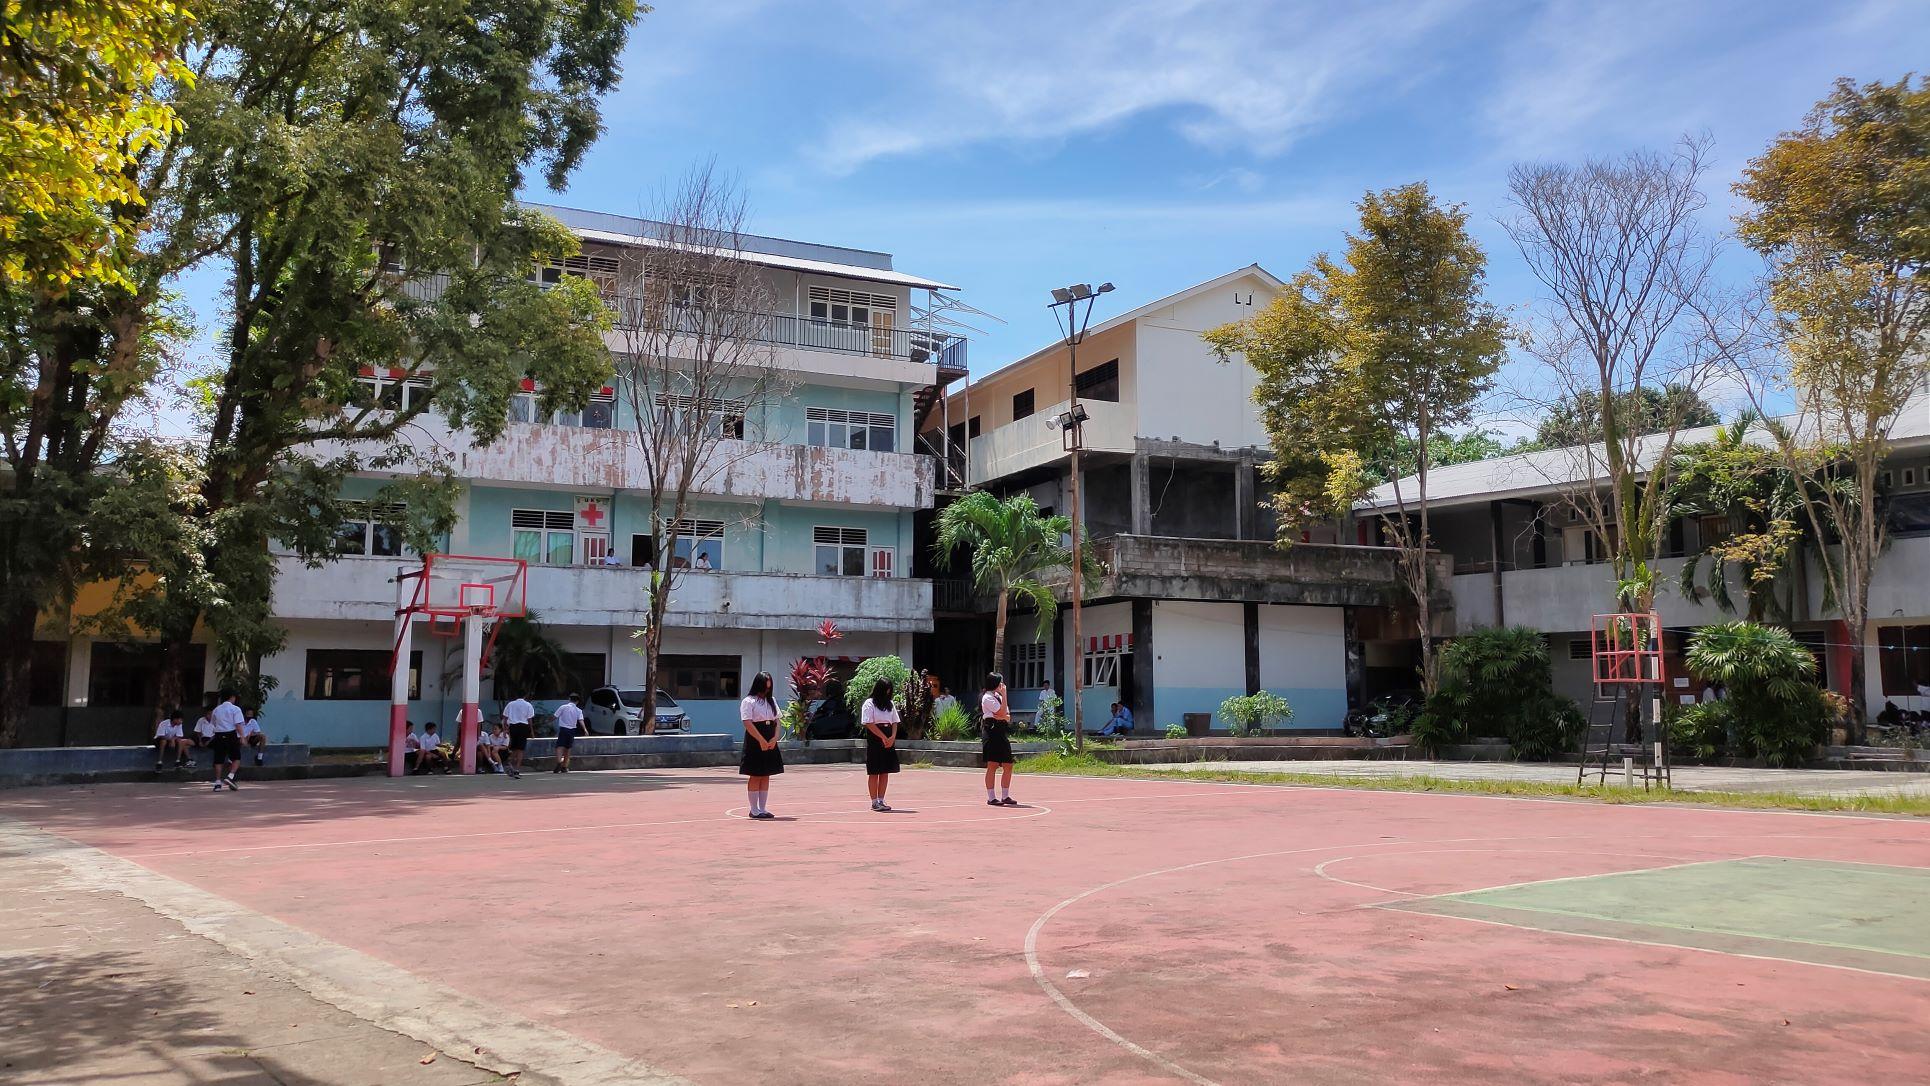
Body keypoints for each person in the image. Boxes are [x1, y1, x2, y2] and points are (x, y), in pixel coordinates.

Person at [738, 672, 783, 819]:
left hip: (770, 736)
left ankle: (762, 808)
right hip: (755, 738)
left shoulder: (772, 701)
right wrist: (761, 740)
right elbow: (747, 722)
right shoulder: (748, 701)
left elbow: (777, 720)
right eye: (765, 686)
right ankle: (754, 809)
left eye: (769, 687)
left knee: (766, 774)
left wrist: (775, 737)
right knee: (756, 774)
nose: (767, 690)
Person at [862, 678, 901, 812]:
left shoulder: (890, 704)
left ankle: (881, 799)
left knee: (885, 770)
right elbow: (869, 723)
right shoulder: (869, 703)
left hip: (888, 736)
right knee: (874, 771)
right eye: (885, 690)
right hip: (875, 737)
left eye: (889, 690)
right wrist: (883, 737)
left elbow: (895, 721)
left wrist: (892, 737)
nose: (888, 693)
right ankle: (874, 802)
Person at [980, 672, 1017, 806]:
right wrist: (1005, 695)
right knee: (993, 764)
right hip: (991, 732)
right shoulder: (987, 697)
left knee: (1008, 764)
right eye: (1000, 682)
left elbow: (1006, 715)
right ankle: (991, 797)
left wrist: (1002, 713)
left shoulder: (998, 697)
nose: (1002, 685)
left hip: (1001, 731)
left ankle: (1005, 796)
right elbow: (1001, 713)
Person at [208, 689, 244, 792]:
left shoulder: (216, 710)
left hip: (219, 735)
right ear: (232, 697)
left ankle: (218, 783)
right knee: (236, 757)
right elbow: (238, 724)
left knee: (218, 759)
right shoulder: (235, 709)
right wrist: (242, 736)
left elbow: (213, 723)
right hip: (230, 734)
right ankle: (230, 776)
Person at [501, 693, 534, 778]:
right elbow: (529, 719)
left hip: (513, 726)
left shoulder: (510, 704)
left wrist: (505, 729)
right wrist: (531, 731)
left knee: (514, 747)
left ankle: (509, 762)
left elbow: (505, 718)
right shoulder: (528, 705)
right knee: (521, 749)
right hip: (523, 727)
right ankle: (517, 769)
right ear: (525, 696)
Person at [552, 693, 585, 773]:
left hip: (563, 729)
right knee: (568, 748)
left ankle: (559, 762)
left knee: (559, 746)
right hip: (572, 730)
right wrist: (585, 729)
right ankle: (564, 766)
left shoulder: (563, 707)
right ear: (577, 701)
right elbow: (581, 720)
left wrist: (547, 721)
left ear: (569, 699)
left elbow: (554, 716)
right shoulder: (578, 710)